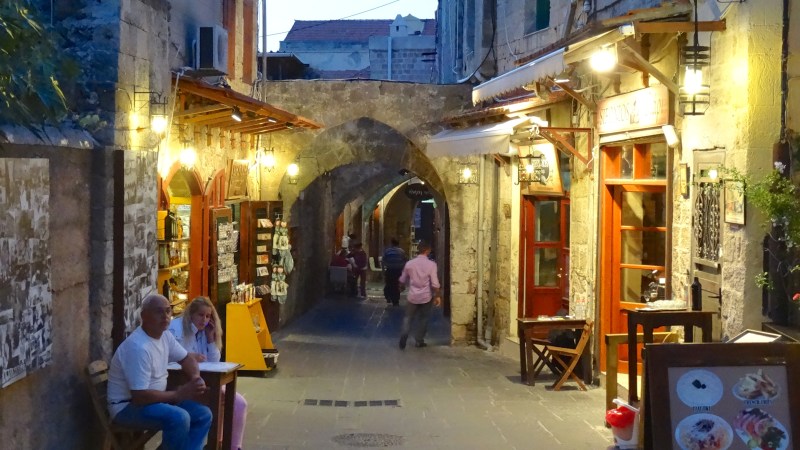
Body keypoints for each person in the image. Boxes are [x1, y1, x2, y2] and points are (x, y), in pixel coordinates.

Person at [108, 294, 212, 450]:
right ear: (144, 316)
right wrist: (178, 394)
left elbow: (187, 359)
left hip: (155, 401)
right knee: (179, 418)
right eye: (159, 312)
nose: (165, 317)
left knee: (203, 415)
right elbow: (140, 397)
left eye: (168, 311)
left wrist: (196, 379)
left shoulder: (165, 335)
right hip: (127, 407)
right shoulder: (138, 347)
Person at [168, 297, 248, 450]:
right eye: (200, 315)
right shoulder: (177, 328)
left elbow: (214, 360)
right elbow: (170, 358)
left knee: (239, 403)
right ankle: (215, 444)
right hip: (183, 385)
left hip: (206, 381)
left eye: (208, 316)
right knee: (218, 401)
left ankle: (232, 446)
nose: (204, 320)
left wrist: (211, 338)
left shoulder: (205, 331)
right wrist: (189, 357)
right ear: (190, 314)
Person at [398, 240, 441, 349]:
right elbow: (435, 283)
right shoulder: (432, 265)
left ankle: (404, 336)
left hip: (412, 296)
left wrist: (401, 287)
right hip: (426, 296)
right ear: (428, 250)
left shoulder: (409, 264)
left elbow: (402, 279)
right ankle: (419, 340)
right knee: (423, 318)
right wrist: (437, 296)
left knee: (408, 318)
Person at [381, 238, 407, 306]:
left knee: (389, 284)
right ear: (398, 244)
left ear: (391, 243)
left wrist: (383, 271)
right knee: (396, 285)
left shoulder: (387, 251)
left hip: (389, 270)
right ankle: (395, 300)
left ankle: (388, 296)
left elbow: (383, 261)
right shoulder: (401, 251)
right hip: (398, 271)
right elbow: (405, 261)